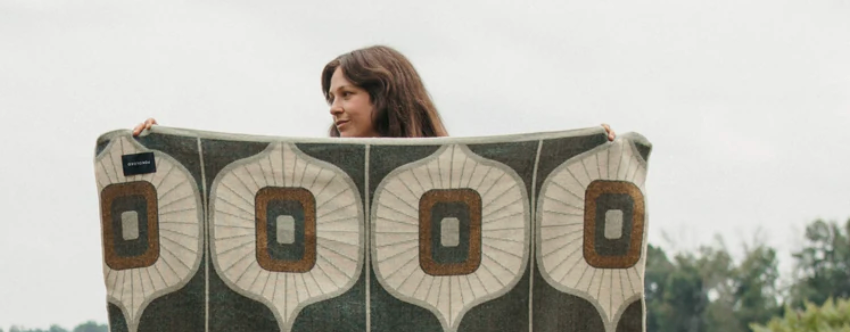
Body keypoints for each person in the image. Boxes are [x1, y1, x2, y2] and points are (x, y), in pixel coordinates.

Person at [133, 45, 614, 142]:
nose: (335, 109)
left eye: (346, 95)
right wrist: (161, 149)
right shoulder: (320, 167)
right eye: (330, 99)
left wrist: (592, 151)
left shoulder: (451, 165)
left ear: (384, 95)